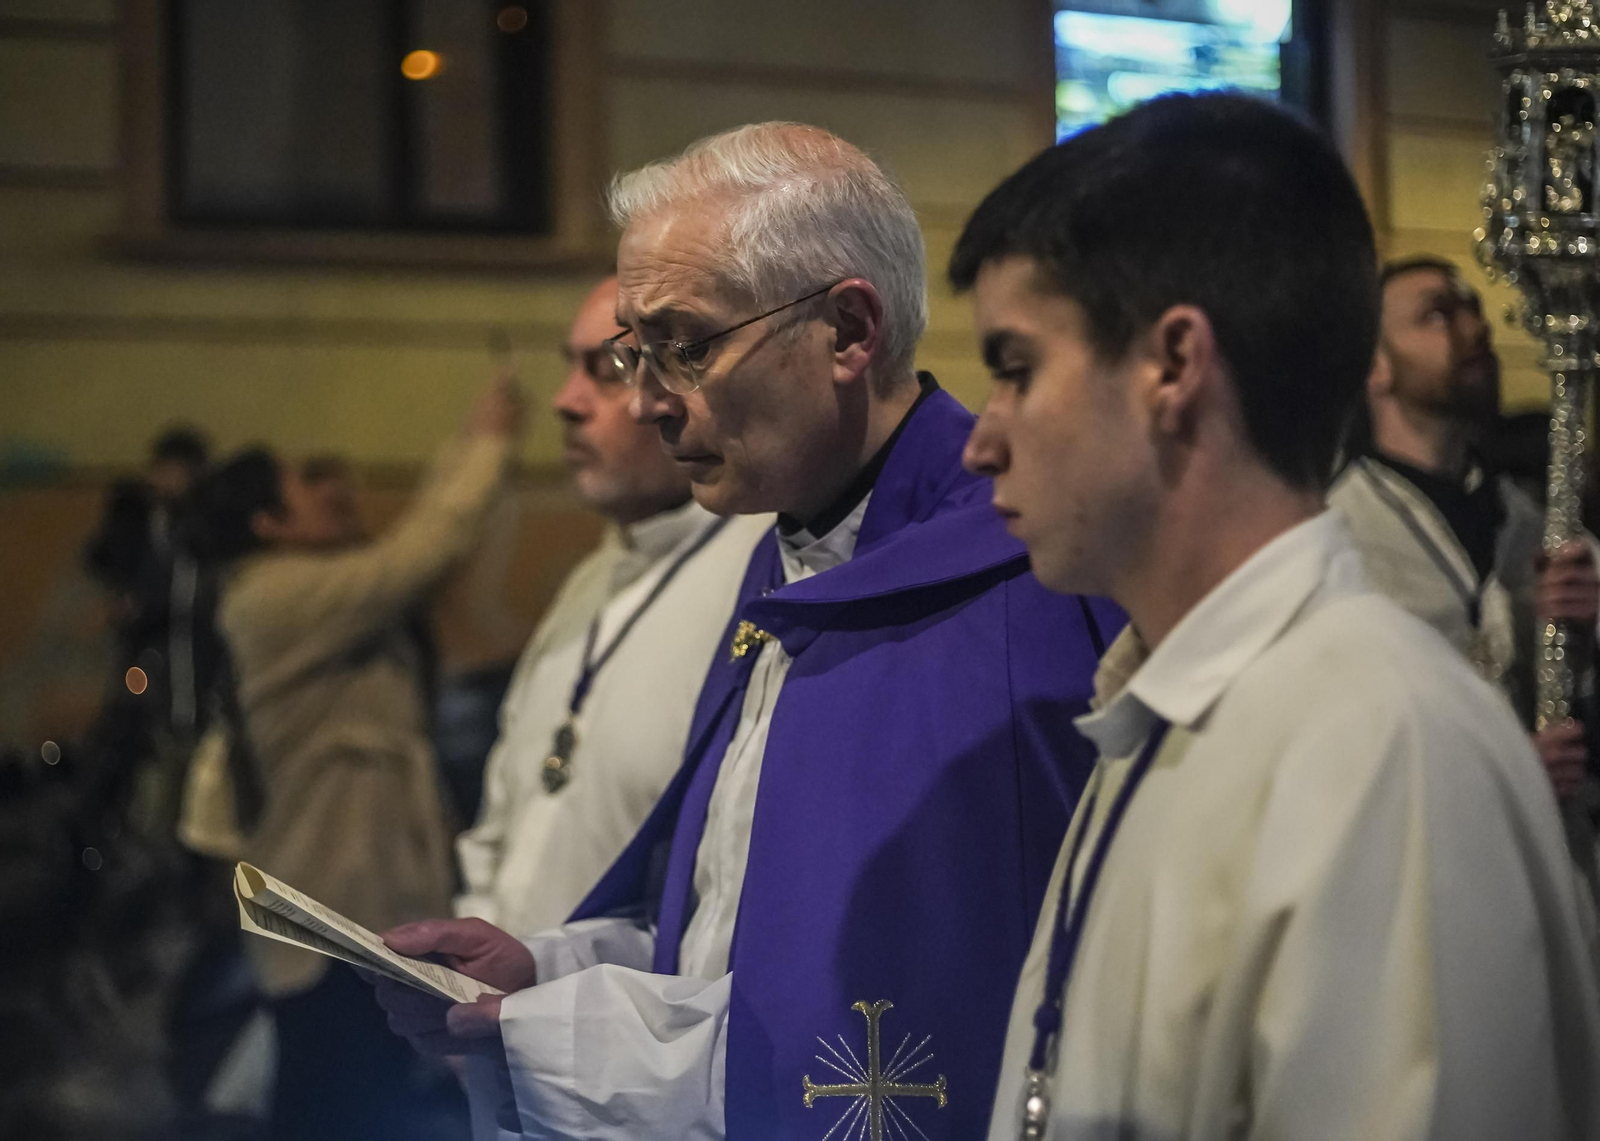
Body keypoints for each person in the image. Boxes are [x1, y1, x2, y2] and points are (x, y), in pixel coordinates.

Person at [376, 122, 1114, 1141]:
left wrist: (553, 1037)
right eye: (635, 350)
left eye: (684, 346)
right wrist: (548, 967)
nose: (646, 401)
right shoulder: (792, 549)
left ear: (848, 332)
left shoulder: (1021, 591)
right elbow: (733, 917)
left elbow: (923, 1028)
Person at [951, 92, 1600, 1140]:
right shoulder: (1168, 700)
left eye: (1018, 369)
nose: (980, 443)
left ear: (1172, 366)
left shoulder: (1378, 746)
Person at [199, 375, 523, 1141]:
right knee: (332, 1109)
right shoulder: (274, 597)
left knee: (358, 1103)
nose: (332, 483)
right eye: (306, 482)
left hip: (363, 925)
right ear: (269, 521)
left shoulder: (314, 591)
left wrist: (460, 444)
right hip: (329, 933)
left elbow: (406, 552)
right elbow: (420, 551)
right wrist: (487, 439)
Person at [454, 277, 767, 954]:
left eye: (606, 369)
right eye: (570, 367)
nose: (565, 402)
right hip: (499, 1030)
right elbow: (505, 811)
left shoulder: (762, 578)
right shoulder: (592, 575)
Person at [1330, 257, 1600, 897]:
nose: (1475, 329)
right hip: (1421, 881)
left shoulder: (1532, 519)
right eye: (1436, 316)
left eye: (1473, 308)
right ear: (1376, 367)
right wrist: (1498, 776)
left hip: (1553, 872)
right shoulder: (1341, 532)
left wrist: (1584, 627)